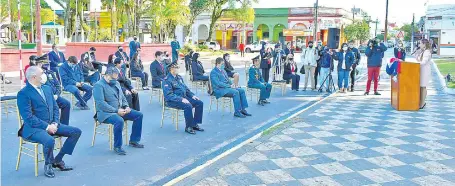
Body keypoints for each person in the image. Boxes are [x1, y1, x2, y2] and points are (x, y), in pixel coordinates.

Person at [17, 66, 82, 178]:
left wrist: (55, 123)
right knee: (49, 140)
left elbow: (55, 108)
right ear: (33, 77)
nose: (44, 75)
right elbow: (28, 117)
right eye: (42, 73)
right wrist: (47, 127)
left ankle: (58, 160)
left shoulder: (46, 88)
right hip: (34, 128)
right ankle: (48, 164)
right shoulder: (23, 93)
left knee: (76, 132)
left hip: (52, 124)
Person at [93, 67, 144, 155]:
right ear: (106, 75)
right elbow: (101, 104)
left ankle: (134, 140)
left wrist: (126, 106)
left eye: (116, 78)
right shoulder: (99, 85)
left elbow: (122, 97)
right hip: (105, 113)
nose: (115, 80)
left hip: (120, 109)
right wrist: (116, 111)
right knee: (119, 120)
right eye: (112, 78)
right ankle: (117, 146)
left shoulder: (116, 83)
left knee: (139, 115)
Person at [163, 62, 204, 134]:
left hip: (183, 98)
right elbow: (169, 95)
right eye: (176, 67)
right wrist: (181, 99)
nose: (178, 69)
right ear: (171, 69)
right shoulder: (167, 80)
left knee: (199, 103)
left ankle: (194, 124)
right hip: (172, 101)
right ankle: (188, 127)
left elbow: (185, 88)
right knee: (188, 106)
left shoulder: (179, 77)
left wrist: (192, 95)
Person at [37, 56, 72, 126]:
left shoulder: (50, 72)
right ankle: (50, 125)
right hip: (44, 98)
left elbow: (58, 85)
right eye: (45, 63)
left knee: (66, 104)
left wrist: (57, 95)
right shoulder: (35, 75)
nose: (47, 65)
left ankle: (64, 125)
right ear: (39, 64)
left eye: (47, 63)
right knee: (51, 108)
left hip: (54, 96)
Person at [414, 39, 433, 109]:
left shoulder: (427, 52)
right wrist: (417, 54)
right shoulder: (423, 51)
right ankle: (421, 102)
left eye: (420, 43)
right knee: (421, 87)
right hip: (421, 70)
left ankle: (422, 103)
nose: (419, 45)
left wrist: (417, 63)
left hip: (425, 71)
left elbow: (423, 62)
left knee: (423, 86)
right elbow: (419, 60)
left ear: (424, 44)